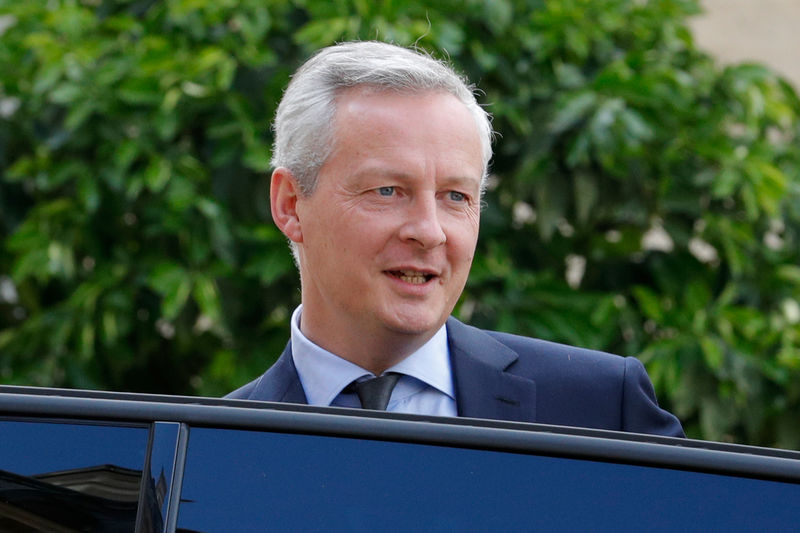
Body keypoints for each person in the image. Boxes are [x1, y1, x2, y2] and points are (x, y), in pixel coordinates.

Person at [227, 41, 684, 437]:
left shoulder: (600, 408)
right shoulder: (207, 452)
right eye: (387, 191)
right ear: (290, 204)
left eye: (455, 196)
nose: (429, 231)